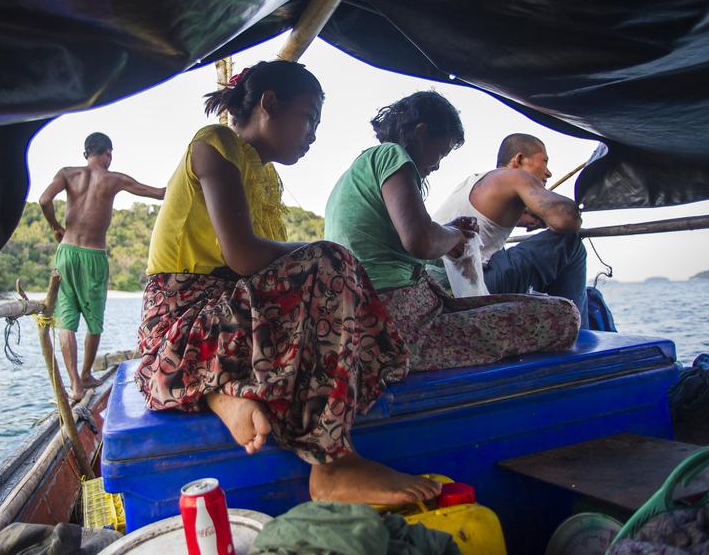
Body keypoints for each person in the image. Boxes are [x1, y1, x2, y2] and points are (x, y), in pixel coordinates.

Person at [135, 61, 441, 506]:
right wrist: (322, 250)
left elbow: (273, 285)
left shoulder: (268, 178)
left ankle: (223, 393)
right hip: (183, 321)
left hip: (223, 317)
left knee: (346, 300)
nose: (313, 133)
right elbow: (243, 255)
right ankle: (332, 465)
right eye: (309, 117)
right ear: (270, 104)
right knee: (332, 260)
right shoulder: (214, 144)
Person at [324, 92, 579, 371]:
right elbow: (420, 241)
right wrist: (456, 236)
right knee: (563, 314)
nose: (436, 165)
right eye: (441, 152)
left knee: (527, 304)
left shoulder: (360, 168)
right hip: (394, 327)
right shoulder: (391, 155)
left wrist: (448, 232)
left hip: (367, 316)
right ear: (421, 133)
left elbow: (419, 233)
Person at [39, 132, 166, 401]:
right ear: (108, 152)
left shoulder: (67, 173)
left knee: (66, 321)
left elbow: (44, 200)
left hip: (66, 252)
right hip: (94, 255)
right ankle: (85, 374)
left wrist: (54, 226)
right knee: (94, 321)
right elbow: (158, 194)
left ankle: (75, 384)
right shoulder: (113, 179)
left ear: (86, 153)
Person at [432, 133, 589, 327]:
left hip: (438, 288)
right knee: (570, 241)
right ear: (519, 159)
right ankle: (577, 330)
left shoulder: (475, 183)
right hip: (466, 289)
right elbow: (565, 220)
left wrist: (528, 215)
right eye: (544, 162)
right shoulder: (515, 176)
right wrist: (568, 208)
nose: (548, 173)